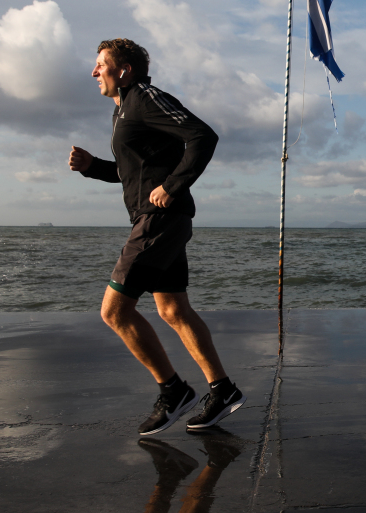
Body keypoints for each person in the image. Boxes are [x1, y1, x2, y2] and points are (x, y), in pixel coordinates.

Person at [68, 38, 245, 435]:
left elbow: (202, 135)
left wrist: (174, 185)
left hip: (159, 219)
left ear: (124, 70)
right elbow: (131, 171)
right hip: (157, 219)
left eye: (101, 64)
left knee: (114, 311)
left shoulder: (144, 97)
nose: (94, 72)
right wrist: (91, 166)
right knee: (173, 310)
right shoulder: (122, 111)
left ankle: (174, 391)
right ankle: (222, 391)